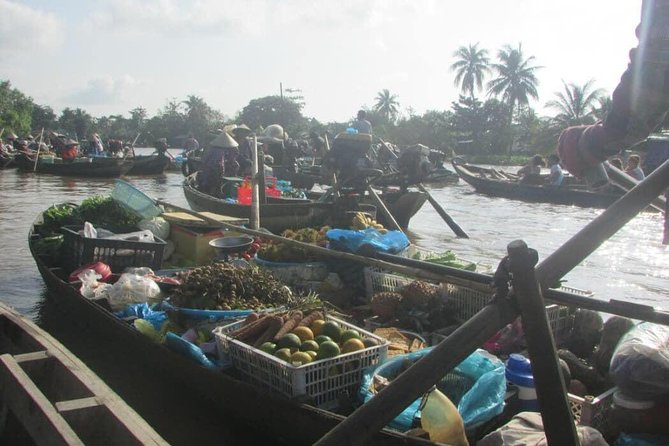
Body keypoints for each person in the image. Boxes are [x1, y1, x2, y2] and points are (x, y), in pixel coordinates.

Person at [200, 132, 238, 196]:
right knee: (217, 181)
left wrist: (204, 163)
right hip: (218, 167)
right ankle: (215, 191)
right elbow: (226, 158)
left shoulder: (213, 148)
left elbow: (207, 158)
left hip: (213, 167)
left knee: (208, 179)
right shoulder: (223, 149)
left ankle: (208, 190)